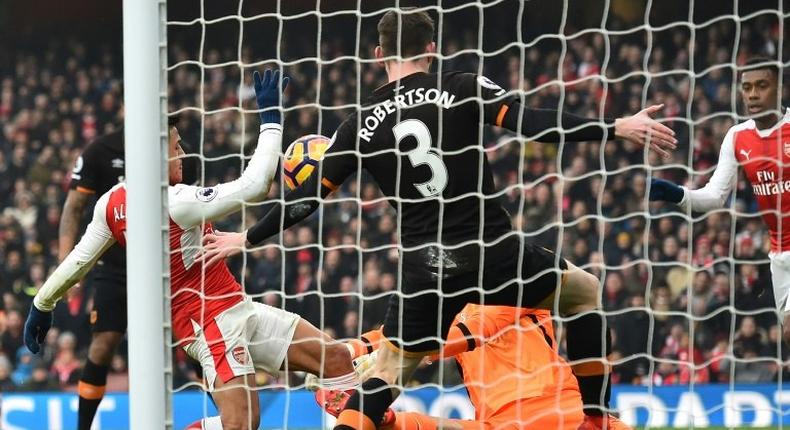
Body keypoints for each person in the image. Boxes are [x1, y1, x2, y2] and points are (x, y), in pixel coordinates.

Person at [200, 9, 676, 430]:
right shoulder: (462, 86)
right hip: (494, 253)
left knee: (386, 373)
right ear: (431, 49)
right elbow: (537, 123)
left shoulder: (358, 125)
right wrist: (617, 127)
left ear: (379, 52)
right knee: (585, 291)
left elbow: (306, 200)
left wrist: (247, 237)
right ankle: (594, 418)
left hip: (425, 270)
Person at [24, 70, 358, 430]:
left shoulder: (112, 203)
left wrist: (41, 305)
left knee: (337, 360)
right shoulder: (175, 201)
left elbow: (78, 261)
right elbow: (256, 185)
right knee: (242, 424)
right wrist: (271, 119)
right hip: (207, 324)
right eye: (176, 146)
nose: (183, 153)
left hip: (234, 306)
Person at [649, 57, 790, 342]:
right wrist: (676, 194)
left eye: (762, 86)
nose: (752, 94)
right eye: (747, 87)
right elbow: (715, 198)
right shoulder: (737, 137)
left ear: (779, 88)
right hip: (780, 252)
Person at [320, 305, 587, 430]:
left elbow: (475, 331)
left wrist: (414, 351)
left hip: (559, 406)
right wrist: (342, 352)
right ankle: (383, 419)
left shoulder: (515, 279)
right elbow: (392, 334)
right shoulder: (449, 305)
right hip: (499, 422)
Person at [59, 107, 126, 429]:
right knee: (102, 346)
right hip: (114, 266)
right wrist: (66, 270)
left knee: (194, 346)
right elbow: (73, 209)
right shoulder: (100, 151)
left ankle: (234, 417)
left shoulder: (174, 152)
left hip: (166, 268)